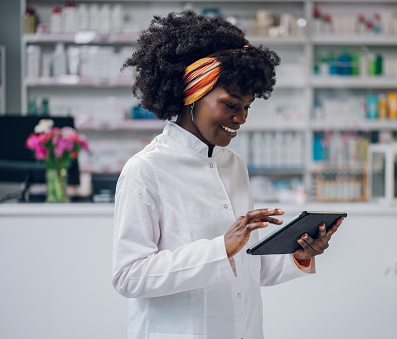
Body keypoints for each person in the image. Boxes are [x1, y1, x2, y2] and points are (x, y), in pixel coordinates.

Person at [112, 10, 344, 339]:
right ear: (191, 96)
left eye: (247, 107)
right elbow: (129, 276)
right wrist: (220, 248)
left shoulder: (233, 164)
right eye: (231, 105)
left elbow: (249, 265)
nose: (241, 119)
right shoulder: (146, 170)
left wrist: (300, 254)